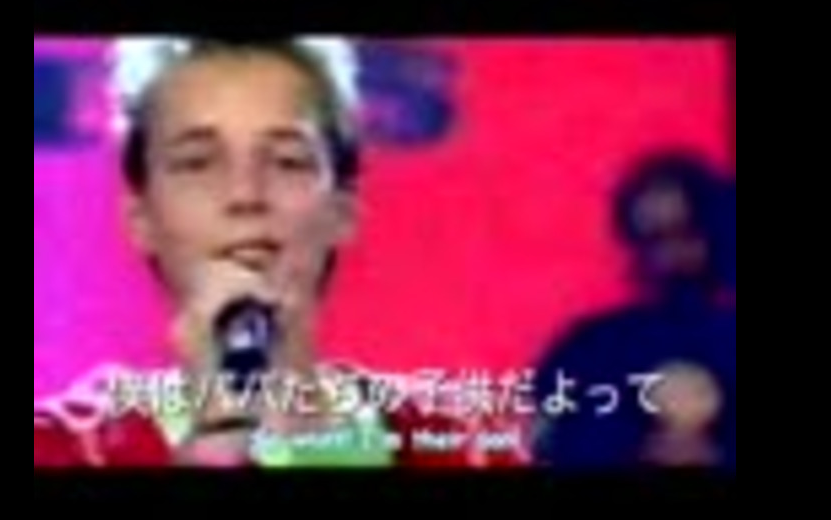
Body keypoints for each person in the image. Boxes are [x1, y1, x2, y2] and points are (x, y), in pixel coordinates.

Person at [34, 37, 525, 468]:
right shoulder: (65, 448)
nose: (245, 195)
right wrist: (216, 437)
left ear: (343, 209)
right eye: (197, 163)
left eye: (288, 161)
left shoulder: (467, 447)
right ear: (140, 217)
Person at [530, 151, 736, 470]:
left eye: (687, 233)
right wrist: (634, 449)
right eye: (652, 240)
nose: (669, 256)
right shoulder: (591, 347)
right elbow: (545, 438)